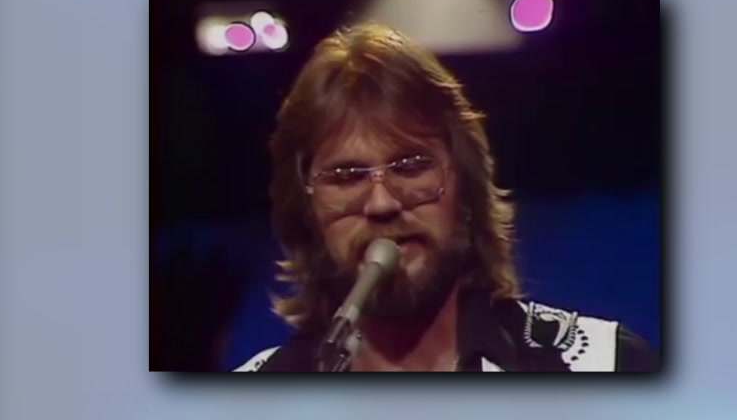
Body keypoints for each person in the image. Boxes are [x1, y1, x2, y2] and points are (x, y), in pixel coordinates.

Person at [235, 23, 659, 372]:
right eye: (346, 177)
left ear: (466, 188)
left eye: (411, 167)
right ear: (306, 209)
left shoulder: (604, 365)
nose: (382, 204)